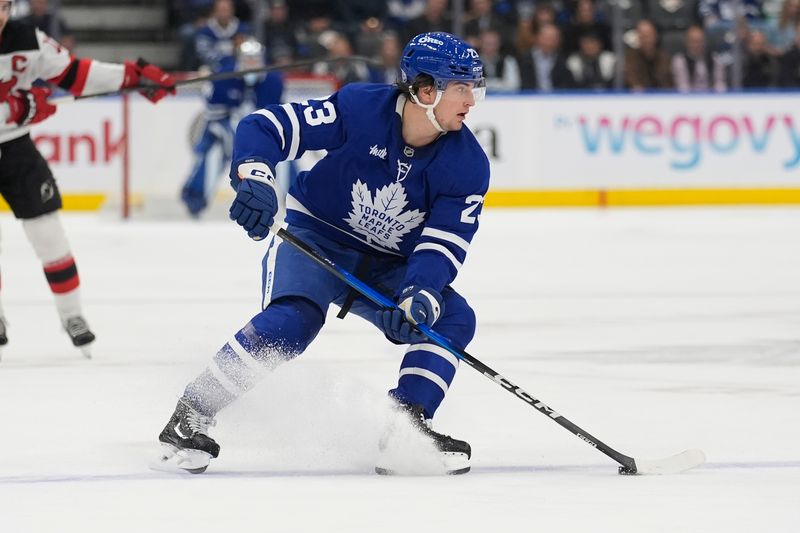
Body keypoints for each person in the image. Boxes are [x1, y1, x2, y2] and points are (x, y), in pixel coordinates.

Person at [157, 32, 489, 476]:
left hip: (387, 265)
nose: (471, 101)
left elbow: (443, 242)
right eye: (461, 87)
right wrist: (255, 176)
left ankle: (405, 427)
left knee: (452, 318)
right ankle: (191, 415)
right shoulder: (360, 108)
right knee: (294, 321)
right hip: (316, 240)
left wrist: (419, 295)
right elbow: (265, 126)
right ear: (425, 90)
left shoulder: (468, 163)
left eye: (474, 88)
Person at [0, 0, 175, 356]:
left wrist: (131, 76)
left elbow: (75, 74)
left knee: (49, 235)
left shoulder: (27, 37)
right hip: (14, 133)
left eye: (4, 7)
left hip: (17, 149)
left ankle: (72, 316)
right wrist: (18, 107)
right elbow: (17, 106)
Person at [180, 38, 284, 217]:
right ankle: (194, 200)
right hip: (223, 130)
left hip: (261, 132)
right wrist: (232, 139)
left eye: (255, 60)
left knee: (285, 155)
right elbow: (213, 117)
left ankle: (295, 202)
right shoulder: (223, 77)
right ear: (239, 59)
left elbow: (278, 117)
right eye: (248, 59)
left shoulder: (273, 81)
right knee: (211, 154)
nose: (251, 64)